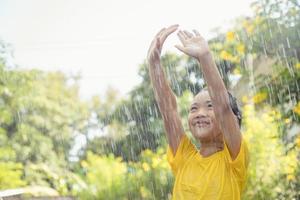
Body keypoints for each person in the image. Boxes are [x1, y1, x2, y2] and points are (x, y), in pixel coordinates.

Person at [147, 25, 249, 200]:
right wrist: (154, 63)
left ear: (233, 121)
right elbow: (168, 110)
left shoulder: (233, 159)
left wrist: (205, 58)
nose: (199, 113)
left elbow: (223, 108)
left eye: (210, 106)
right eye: (193, 108)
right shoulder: (184, 157)